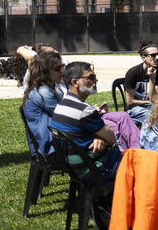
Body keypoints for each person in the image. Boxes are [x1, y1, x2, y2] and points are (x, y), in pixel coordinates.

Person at [51, 62, 123, 226]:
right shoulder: (84, 110)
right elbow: (112, 137)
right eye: (90, 77)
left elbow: (85, 131)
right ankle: (110, 209)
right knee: (139, 167)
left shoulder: (62, 105)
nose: (96, 79)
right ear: (75, 82)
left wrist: (99, 138)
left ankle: (103, 207)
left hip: (75, 168)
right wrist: (103, 138)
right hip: (91, 169)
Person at [22, 51, 65, 164]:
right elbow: (66, 116)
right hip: (51, 151)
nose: (61, 71)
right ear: (45, 71)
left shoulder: (55, 88)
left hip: (56, 144)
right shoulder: (42, 92)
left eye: (62, 67)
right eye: (57, 68)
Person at [124, 39, 158, 127]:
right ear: (143, 57)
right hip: (136, 109)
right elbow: (130, 102)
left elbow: (155, 99)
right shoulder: (133, 73)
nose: (157, 58)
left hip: (153, 107)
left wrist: (152, 78)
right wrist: (148, 102)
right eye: (153, 55)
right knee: (156, 117)